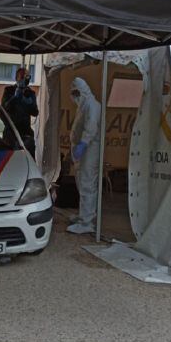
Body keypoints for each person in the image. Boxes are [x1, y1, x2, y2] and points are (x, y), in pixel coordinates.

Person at [67, 77, 101, 235]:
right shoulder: (83, 105)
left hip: (89, 149)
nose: (74, 96)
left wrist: (83, 143)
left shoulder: (92, 105)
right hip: (82, 150)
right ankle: (83, 215)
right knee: (81, 182)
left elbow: (91, 128)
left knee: (87, 183)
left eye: (76, 93)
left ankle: (87, 222)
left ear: (82, 90)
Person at [1, 67, 39, 157]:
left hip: (25, 132)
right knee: (8, 159)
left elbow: (35, 112)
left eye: (27, 77)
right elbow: (4, 108)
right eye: (22, 77)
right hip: (11, 132)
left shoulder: (30, 93)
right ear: (16, 78)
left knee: (28, 158)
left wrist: (29, 102)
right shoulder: (9, 90)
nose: (25, 79)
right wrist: (14, 98)